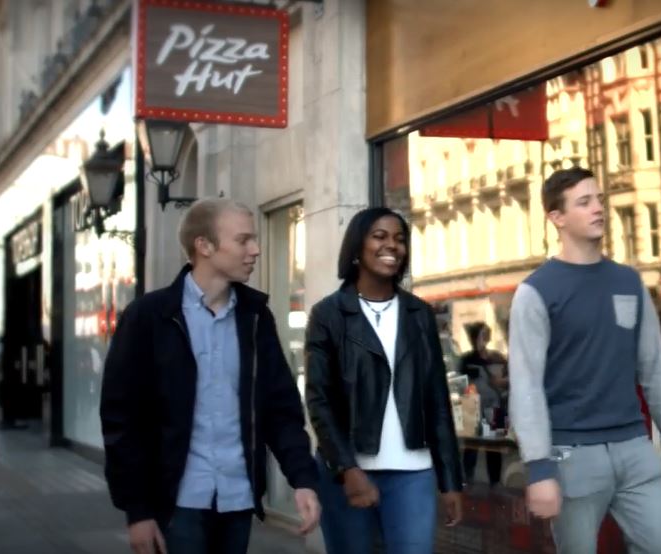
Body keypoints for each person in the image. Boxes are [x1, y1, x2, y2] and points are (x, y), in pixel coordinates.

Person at [100, 199, 320, 554]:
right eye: (243, 240)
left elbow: (280, 408)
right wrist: (137, 511)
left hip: (237, 499)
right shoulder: (149, 317)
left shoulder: (255, 317)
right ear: (204, 246)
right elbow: (123, 421)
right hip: (177, 504)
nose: (256, 250)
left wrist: (303, 480)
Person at [508, 167, 661, 553]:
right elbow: (526, 387)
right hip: (572, 457)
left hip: (636, 449)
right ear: (556, 217)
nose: (598, 209)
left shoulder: (628, 282)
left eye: (599, 200)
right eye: (584, 202)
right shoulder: (535, 292)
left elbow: (654, 367)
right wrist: (539, 468)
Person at [305, 207, 463, 554]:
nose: (392, 245)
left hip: (414, 473)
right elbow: (319, 401)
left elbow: (437, 399)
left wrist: (451, 481)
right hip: (349, 472)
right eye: (379, 236)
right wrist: (347, 469)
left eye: (399, 239)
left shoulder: (419, 313)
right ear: (357, 247)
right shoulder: (329, 314)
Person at [459, 322, 506, 487]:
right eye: (481, 334)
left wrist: (501, 382)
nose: (484, 338)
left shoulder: (498, 357)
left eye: (486, 334)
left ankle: (495, 480)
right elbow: (462, 383)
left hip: (496, 405)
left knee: (495, 445)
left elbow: (510, 379)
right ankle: (468, 479)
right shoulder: (467, 360)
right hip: (473, 407)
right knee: (472, 444)